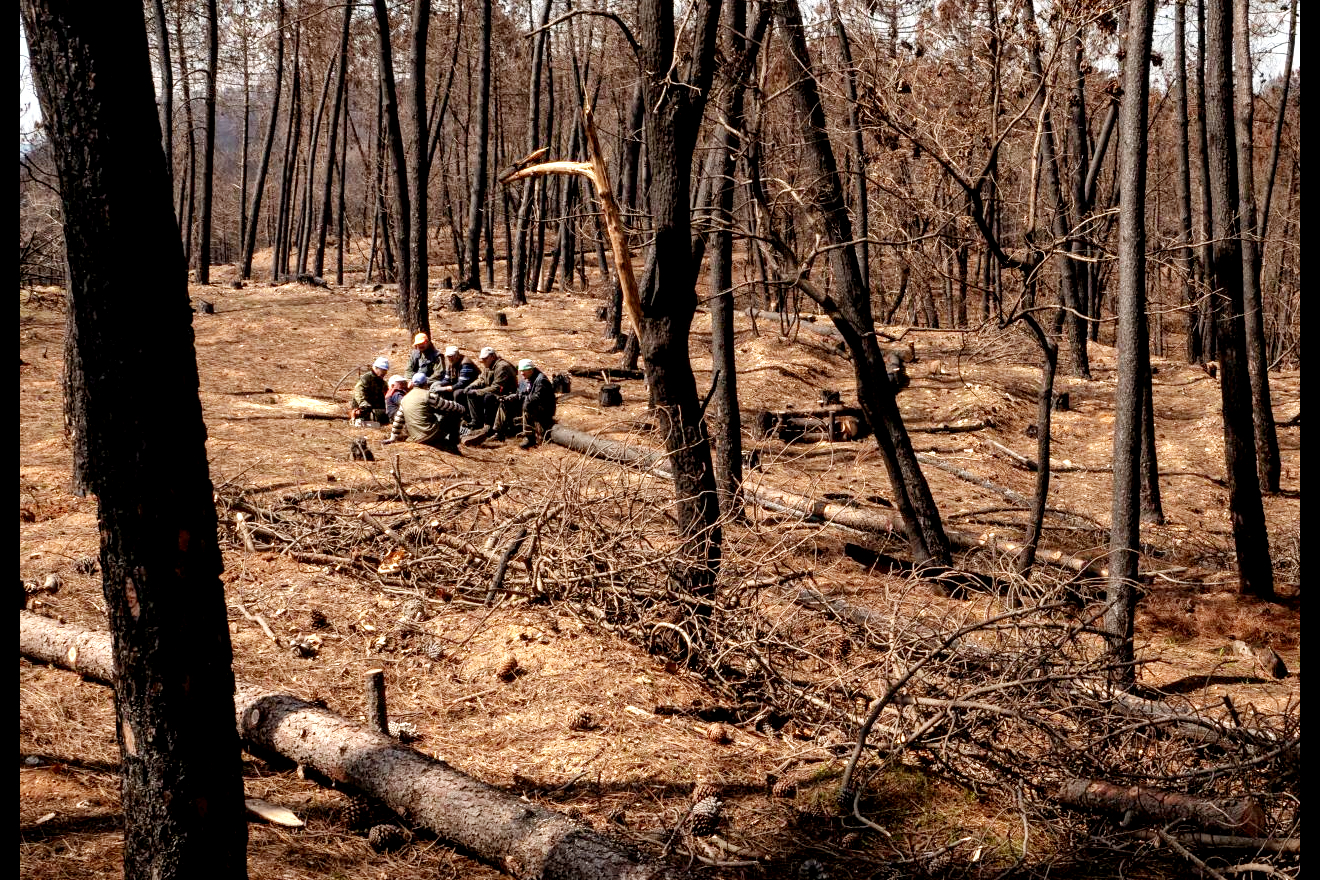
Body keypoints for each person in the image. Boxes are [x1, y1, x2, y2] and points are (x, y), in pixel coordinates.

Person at [383, 372, 466, 453]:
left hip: (415, 437)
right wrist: (462, 408)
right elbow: (448, 405)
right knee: (454, 413)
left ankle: (443, 442)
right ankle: (453, 444)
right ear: (425, 384)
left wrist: (392, 438)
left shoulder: (405, 398)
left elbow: (398, 420)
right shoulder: (428, 395)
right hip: (430, 434)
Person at [458, 347, 517, 446]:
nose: (483, 361)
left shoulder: (502, 367)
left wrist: (477, 392)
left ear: (493, 357)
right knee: (467, 393)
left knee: (487, 398)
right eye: (482, 359)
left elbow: (496, 388)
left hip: (505, 395)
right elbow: (481, 379)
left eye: (485, 359)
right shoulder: (488, 366)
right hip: (492, 392)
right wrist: (471, 386)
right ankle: (476, 423)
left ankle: (488, 427)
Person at [494, 358, 557, 449]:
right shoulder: (525, 379)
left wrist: (523, 398)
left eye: (524, 371)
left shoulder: (541, 380)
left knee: (527, 404)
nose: (522, 373)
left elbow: (537, 398)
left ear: (531, 369)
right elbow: (520, 394)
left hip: (544, 409)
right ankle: (498, 432)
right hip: (531, 403)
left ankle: (529, 438)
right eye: (521, 371)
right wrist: (510, 398)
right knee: (504, 403)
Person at [350, 357, 390, 424]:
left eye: (386, 370)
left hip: (375, 409)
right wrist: (363, 403)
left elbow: (387, 395)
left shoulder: (382, 382)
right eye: (383, 370)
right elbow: (359, 391)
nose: (385, 373)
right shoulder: (366, 378)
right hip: (364, 408)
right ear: (376, 368)